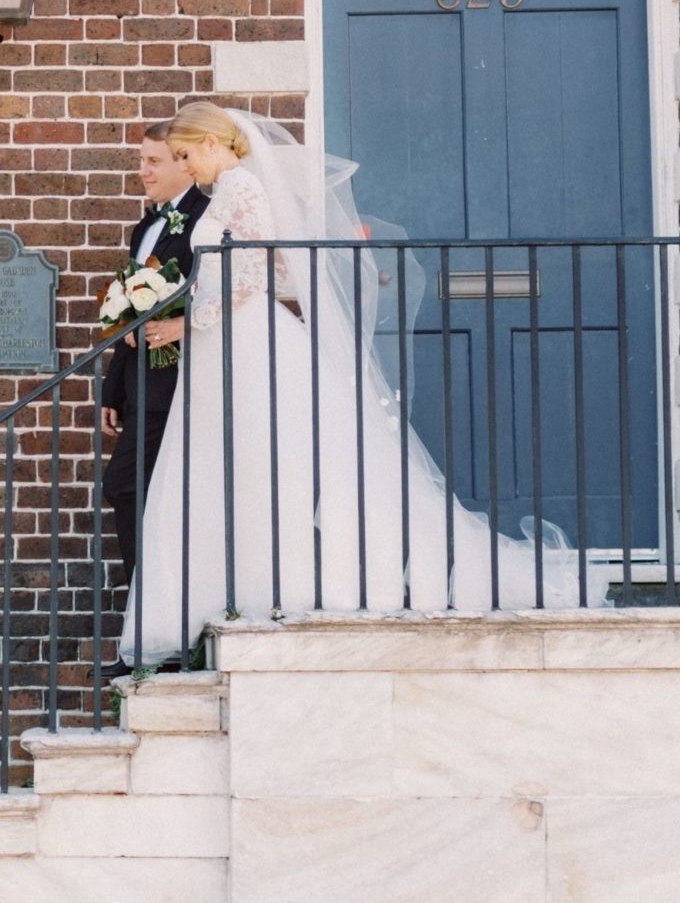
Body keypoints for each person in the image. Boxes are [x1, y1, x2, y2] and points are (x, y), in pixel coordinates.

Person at [119, 101, 595, 667]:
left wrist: (186, 320)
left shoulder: (243, 188)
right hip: (224, 341)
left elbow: (248, 275)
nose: (182, 165)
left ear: (216, 145)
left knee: (271, 461)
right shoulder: (226, 192)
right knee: (238, 463)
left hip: (244, 336)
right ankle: (241, 588)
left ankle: (281, 586)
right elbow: (248, 270)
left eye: (185, 154)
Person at [100, 124, 209, 596]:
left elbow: (230, 294)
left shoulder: (207, 219)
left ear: (184, 164)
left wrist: (180, 327)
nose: (142, 170)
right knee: (140, 493)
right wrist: (114, 390)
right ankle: (155, 613)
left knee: (126, 486)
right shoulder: (144, 228)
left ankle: (154, 612)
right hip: (141, 383)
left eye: (153, 161)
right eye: (141, 160)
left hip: (184, 380)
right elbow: (131, 313)